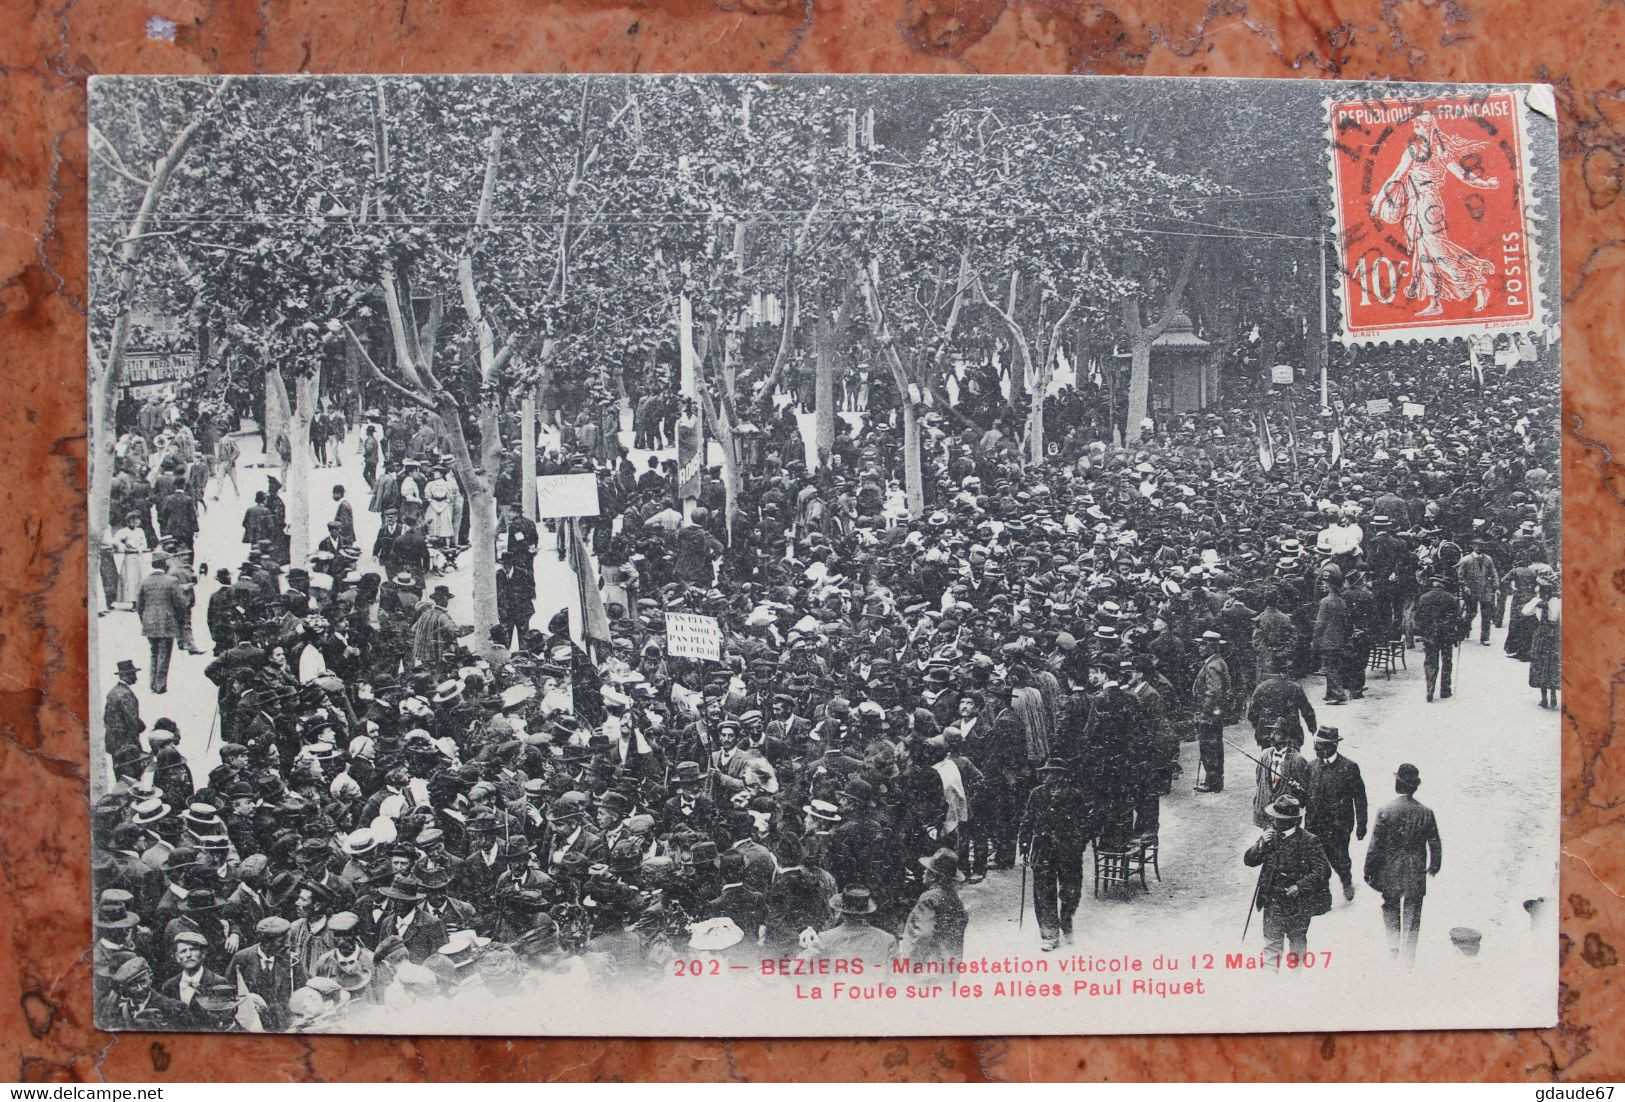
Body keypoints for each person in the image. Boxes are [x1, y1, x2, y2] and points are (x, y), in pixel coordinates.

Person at [1363, 763, 1443, 967]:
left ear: (1398, 783)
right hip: (1415, 870)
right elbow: (1434, 841)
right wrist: (1434, 864)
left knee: (1390, 905)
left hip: (1390, 868)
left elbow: (1375, 844)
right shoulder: (1426, 812)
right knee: (1413, 911)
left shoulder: (1386, 810)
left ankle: (1393, 947)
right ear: (1415, 786)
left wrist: (1369, 870)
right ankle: (1408, 956)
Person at [1242, 794, 1332, 969]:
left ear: (1293, 821)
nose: (1275, 822)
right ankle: (1271, 985)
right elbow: (1249, 861)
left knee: (1297, 945)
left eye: (1280, 819)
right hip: (1272, 901)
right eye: (1275, 818)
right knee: (1271, 947)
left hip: (1298, 904)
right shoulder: (1269, 837)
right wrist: (1260, 845)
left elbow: (1323, 870)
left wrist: (1299, 886)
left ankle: (1295, 984)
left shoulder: (1309, 840)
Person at [1016, 758, 1091, 952]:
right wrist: (1024, 846)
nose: (1047, 776)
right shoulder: (1037, 794)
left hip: (1069, 850)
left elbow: (1086, 825)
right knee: (1043, 891)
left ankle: (1066, 922)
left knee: (1071, 890)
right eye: (1046, 773)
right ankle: (1049, 933)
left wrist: (1079, 844)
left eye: (1053, 773)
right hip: (1043, 849)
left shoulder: (1075, 795)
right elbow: (1027, 820)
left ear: (1062, 776)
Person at [1303, 726, 1368, 901]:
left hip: (1338, 826)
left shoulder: (1349, 768)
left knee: (1340, 858)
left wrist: (1362, 825)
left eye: (1321, 745)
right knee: (1315, 861)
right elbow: (1304, 796)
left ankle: (1346, 881)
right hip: (1314, 824)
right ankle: (1323, 896)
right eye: (1316, 744)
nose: (1316, 748)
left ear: (1333, 746)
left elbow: (1360, 799)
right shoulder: (1310, 767)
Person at [899, 848, 967, 965]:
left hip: (928, 969)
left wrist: (909, 962)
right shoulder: (954, 898)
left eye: (927, 870)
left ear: (933, 877)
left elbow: (922, 935)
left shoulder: (928, 899)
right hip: (950, 966)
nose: (923, 872)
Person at [135, 555, 189, 694]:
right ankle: (160, 685)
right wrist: (179, 620)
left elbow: (139, 605)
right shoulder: (171, 581)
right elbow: (181, 604)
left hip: (149, 623)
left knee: (154, 652)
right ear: (164, 564)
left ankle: (152, 683)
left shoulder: (145, 581)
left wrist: (144, 620)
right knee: (164, 654)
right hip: (166, 623)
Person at [1413, 574, 1465, 702]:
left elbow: (1417, 618)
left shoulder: (1423, 598)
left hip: (1430, 636)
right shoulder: (1452, 599)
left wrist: (1422, 632)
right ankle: (1445, 690)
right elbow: (1458, 619)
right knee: (1447, 662)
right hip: (1447, 635)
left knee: (1431, 662)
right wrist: (1459, 635)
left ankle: (1430, 688)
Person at [1191, 631, 1231, 793]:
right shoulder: (1216, 662)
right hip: (1214, 714)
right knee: (1213, 746)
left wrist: (1204, 713)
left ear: (1211, 647)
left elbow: (1213, 692)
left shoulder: (1213, 666)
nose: (1199, 648)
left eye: (1202, 645)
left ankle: (1212, 782)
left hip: (1209, 715)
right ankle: (1213, 780)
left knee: (1209, 747)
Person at [1524, 571, 1562, 709]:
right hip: (1552, 636)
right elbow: (1526, 611)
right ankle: (1550, 696)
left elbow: (1527, 611)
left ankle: (1547, 697)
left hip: (1545, 635)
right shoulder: (1553, 600)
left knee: (1543, 664)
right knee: (1550, 664)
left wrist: (1540, 605)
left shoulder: (1551, 601)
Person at [1456, 539, 1501, 646]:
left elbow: (1494, 573)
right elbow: (1460, 576)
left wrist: (1496, 587)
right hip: (1471, 591)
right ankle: (1462, 631)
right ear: (1474, 546)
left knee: (1486, 615)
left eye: (1483, 545)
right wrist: (1465, 587)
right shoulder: (1466, 560)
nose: (1481, 548)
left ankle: (1485, 638)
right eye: (1479, 545)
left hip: (1485, 590)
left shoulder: (1488, 559)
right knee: (1471, 613)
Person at [103, 658, 145, 764]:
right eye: (133, 674)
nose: (135, 677)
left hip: (113, 743)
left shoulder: (112, 692)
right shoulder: (126, 694)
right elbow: (131, 721)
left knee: (120, 773)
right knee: (131, 774)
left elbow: (106, 718)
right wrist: (140, 727)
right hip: (127, 744)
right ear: (126, 675)